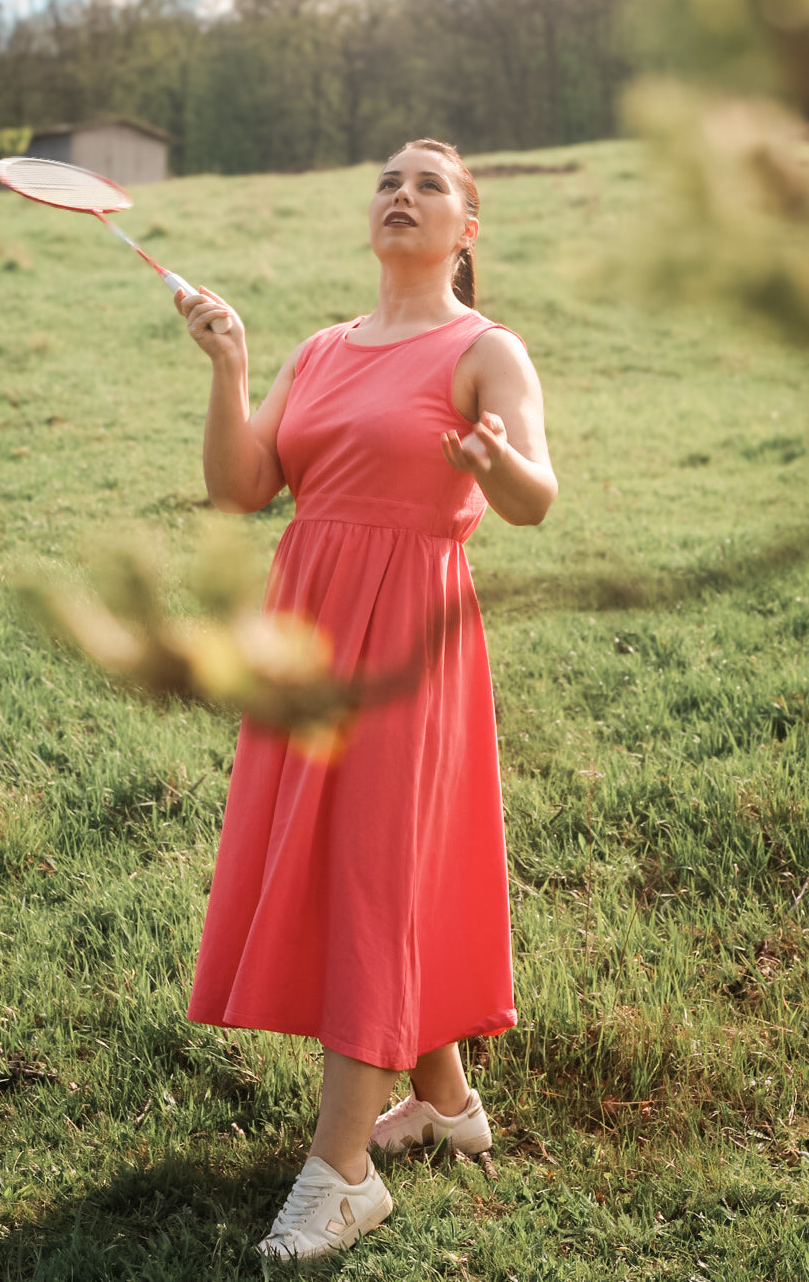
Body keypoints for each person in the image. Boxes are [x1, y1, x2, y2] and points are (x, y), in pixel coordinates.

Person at [175, 139, 557, 1262]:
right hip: (308, 635)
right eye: (389, 180)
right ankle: (445, 1101)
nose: (402, 193)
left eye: (429, 184)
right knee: (351, 861)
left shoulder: (485, 349)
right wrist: (230, 368)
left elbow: (535, 497)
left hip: (406, 641)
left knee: (373, 873)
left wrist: (492, 463)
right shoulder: (322, 349)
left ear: (465, 230)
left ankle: (342, 1173)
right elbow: (241, 487)